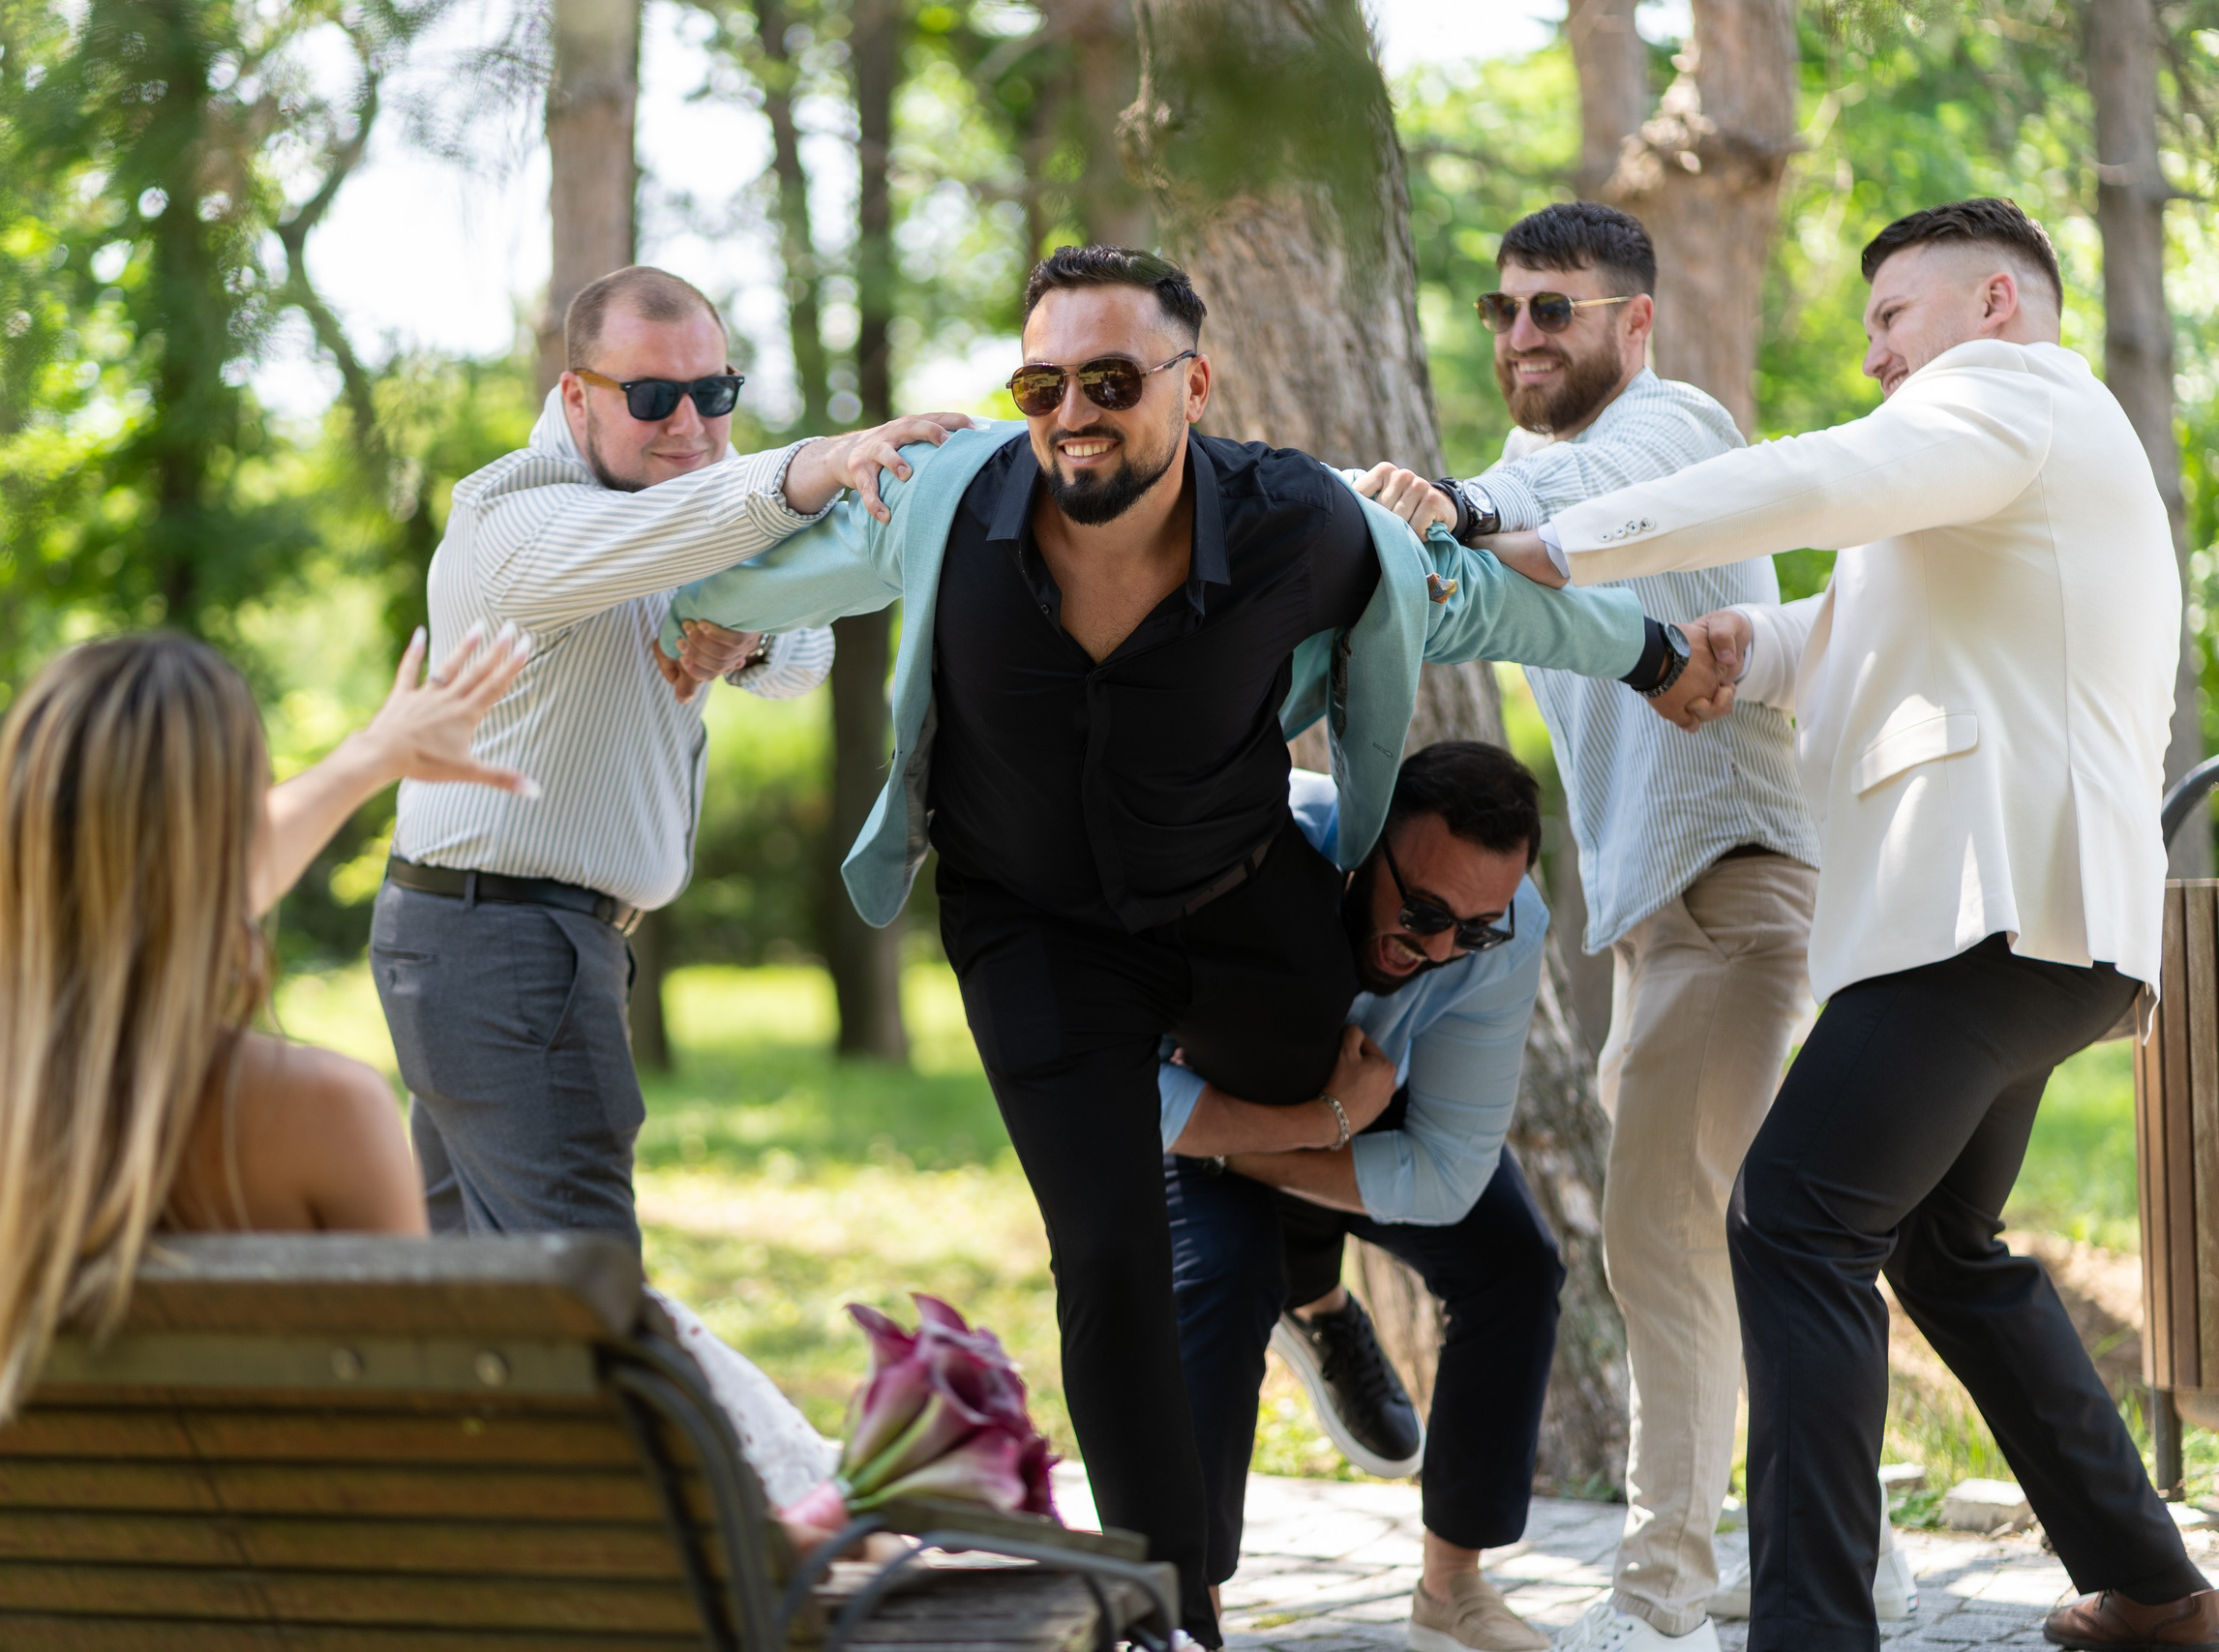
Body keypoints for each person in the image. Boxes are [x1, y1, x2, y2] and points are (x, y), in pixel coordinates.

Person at [657, 245, 1732, 1649]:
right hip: (1032, 929)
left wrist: (1651, 657)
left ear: (1194, 381)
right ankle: (1169, 1612)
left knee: (1318, 1054)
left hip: (1239, 900)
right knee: (1109, 1252)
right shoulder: (949, 498)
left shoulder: (1299, 522)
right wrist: (700, 611)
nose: (1073, 413)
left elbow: (1473, 596)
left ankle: (1309, 1283)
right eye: (1044, 380)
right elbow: (812, 563)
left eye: (1112, 379)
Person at [1491, 198, 2215, 1651]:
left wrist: (1557, 539)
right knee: (1943, 1245)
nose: (1878, 354)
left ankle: (1813, 1625)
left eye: (1893, 316)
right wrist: (1743, 643)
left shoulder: (2006, 393)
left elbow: (1823, 482)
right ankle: (2154, 1586)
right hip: (2043, 926)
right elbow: (1861, 625)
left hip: (1992, 911)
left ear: (1995, 303)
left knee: (1792, 1215)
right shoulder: (2005, 467)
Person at [0, 628, 846, 1521]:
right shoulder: (317, 1109)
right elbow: (423, 1430)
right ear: (226, 832)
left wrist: (371, 757)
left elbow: (144, 900)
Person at [1355, 203, 1903, 1652]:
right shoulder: (1521, 477)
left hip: (1738, 872)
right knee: (1738, 1235)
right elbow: (1469, 557)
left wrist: (1453, 508)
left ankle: (1658, 1597)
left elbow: (1586, 506)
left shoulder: (1677, 423)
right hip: (1660, 911)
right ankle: (1866, 1558)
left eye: (1558, 307)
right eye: (1506, 308)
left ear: (1633, 322)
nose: (1524, 332)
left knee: (1663, 1232)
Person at [370, 264, 973, 1248]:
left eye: (714, 393)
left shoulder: (668, 509)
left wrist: (750, 636)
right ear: (575, 396)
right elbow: (686, 528)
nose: (689, 423)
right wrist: (821, 462)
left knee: (477, 1300)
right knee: (581, 1291)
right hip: (506, 945)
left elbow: (802, 647)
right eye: (652, 397)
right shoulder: (514, 520)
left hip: (512, 941)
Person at [1165, 744, 1567, 1652]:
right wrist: (1316, 1121)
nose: (1439, 948)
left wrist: (1326, 1125)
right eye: (1423, 911)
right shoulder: (1245, 845)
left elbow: (1452, 1167)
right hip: (1197, 1108)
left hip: (1356, 1103)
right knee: (1222, 1287)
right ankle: (1189, 1611)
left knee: (1516, 1264)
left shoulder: (1503, 931)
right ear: (1365, 839)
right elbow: (1124, 1098)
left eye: (1473, 928)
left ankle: (1451, 1587)